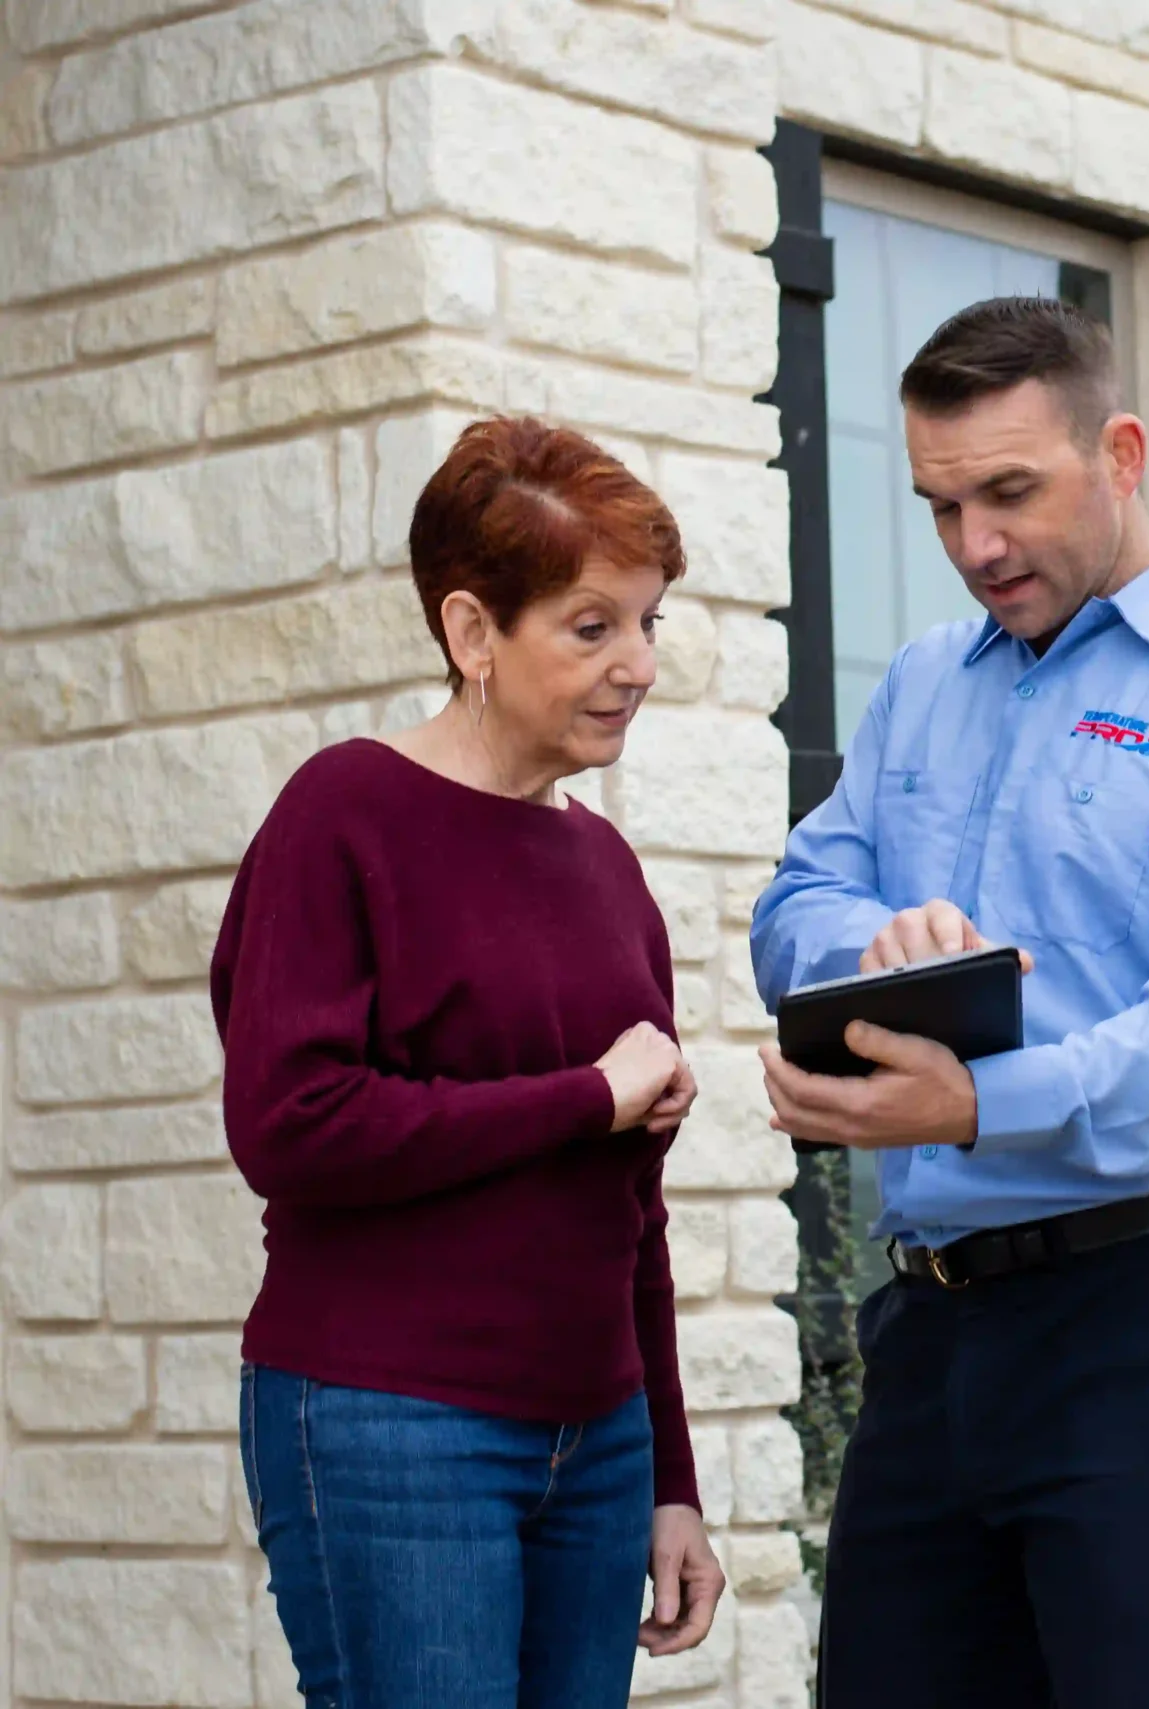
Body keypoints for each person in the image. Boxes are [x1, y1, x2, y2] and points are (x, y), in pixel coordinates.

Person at [750, 296, 1149, 1708]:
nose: (976, 545)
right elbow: (790, 914)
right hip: (932, 1338)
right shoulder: (918, 688)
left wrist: (975, 1103)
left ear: (1125, 453)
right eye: (942, 504)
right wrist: (870, 954)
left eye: (1012, 492)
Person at [210, 418, 726, 1708]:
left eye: (649, 623)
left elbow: (630, 1210)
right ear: (473, 632)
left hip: (595, 1439)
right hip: (392, 1421)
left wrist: (668, 1472)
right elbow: (293, 1124)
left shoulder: (606, 868)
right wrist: (582, 1097)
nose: (639, 665)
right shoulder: (345, 814)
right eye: (592, 626)